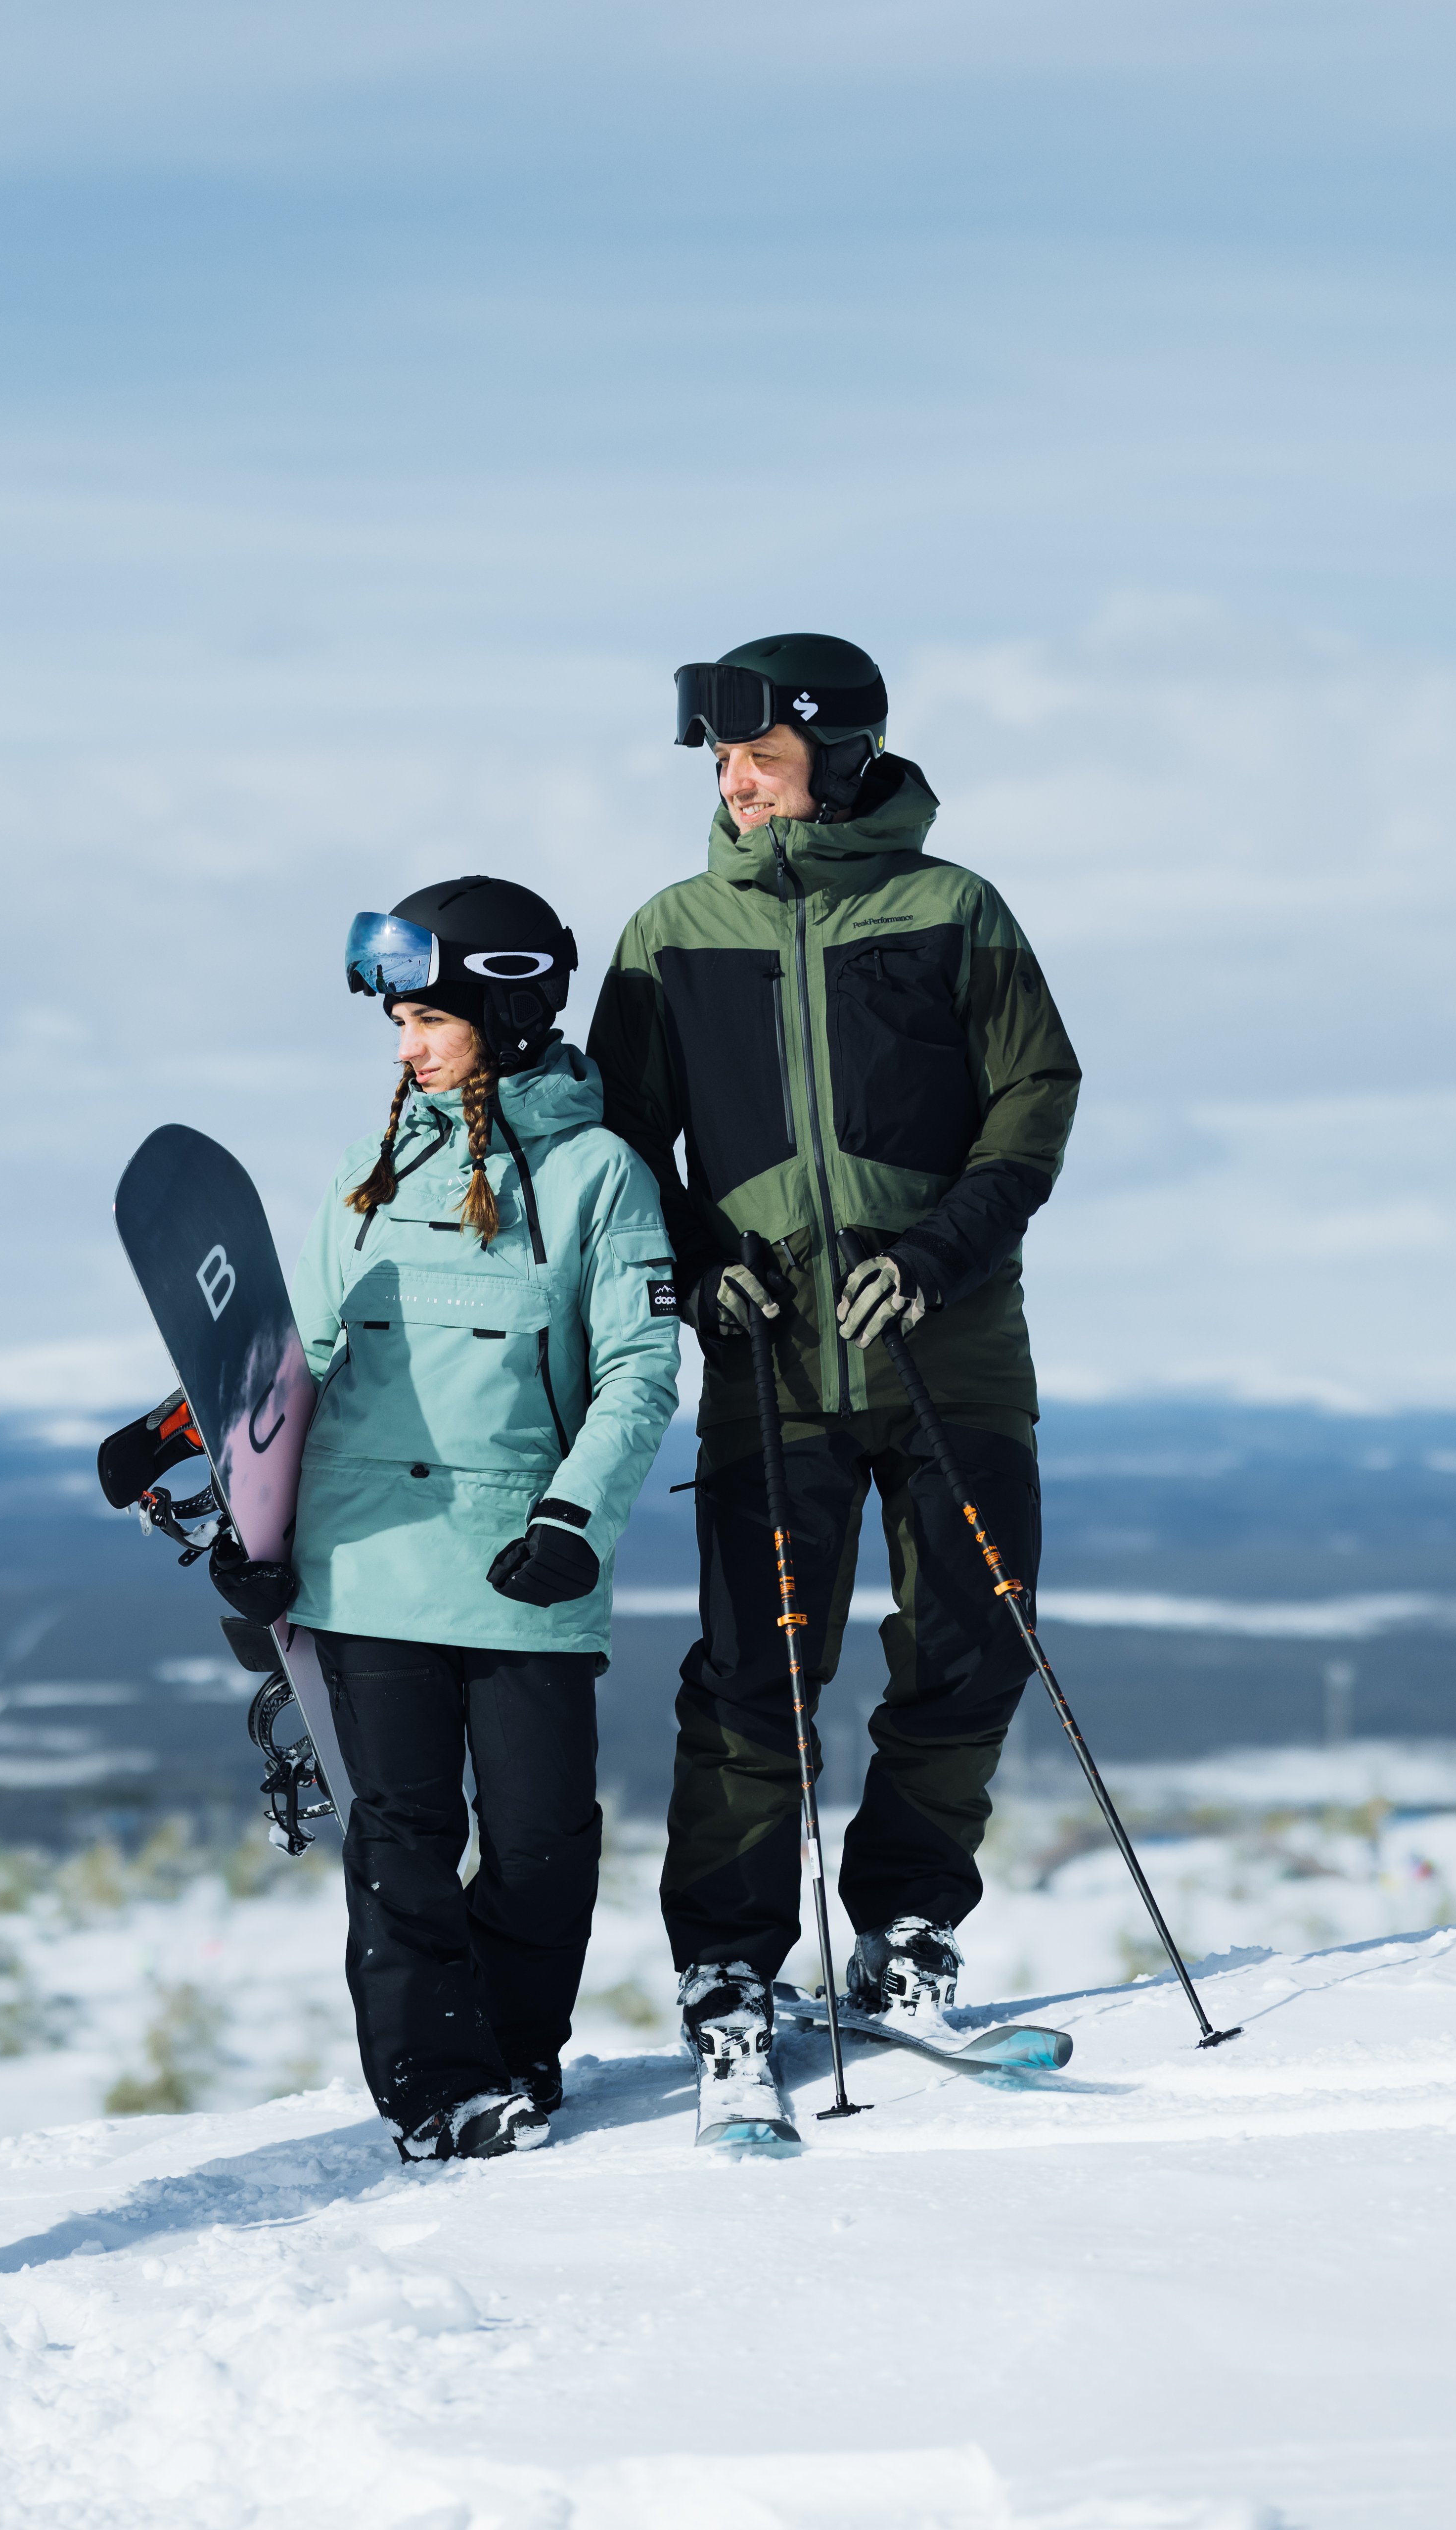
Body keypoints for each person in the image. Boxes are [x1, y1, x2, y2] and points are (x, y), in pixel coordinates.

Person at [587, 635, 1081, 2048]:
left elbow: (1031, 1100)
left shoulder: (953, 909)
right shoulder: (671, 931)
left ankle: (908, 1925)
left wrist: (935, 1256)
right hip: (770, 1363)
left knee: (969, 1644)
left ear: (839, 753)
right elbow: (619, 1144)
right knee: (754, 1667)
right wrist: (696, 1269)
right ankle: (730, 1960)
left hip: (954, 1347)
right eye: (724, 762)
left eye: (762, 757)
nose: (734, 781)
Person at [251, 878, 679, 2161]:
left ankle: (514, 2048)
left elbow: (638, 1370)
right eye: (399, 1024)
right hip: (365, 1554)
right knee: (404, 1836)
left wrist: (570, 1518)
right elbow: (302, 1356)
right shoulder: (371, 1167)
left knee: (545, 1836)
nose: (408, 1044)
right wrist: (225, 1486)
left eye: (429, 1017)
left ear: (502, 1004)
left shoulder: (598, 1174)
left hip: (523, 1562)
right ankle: (437, 2086)